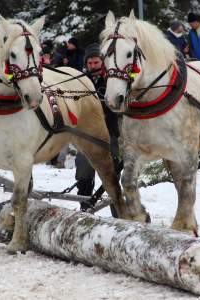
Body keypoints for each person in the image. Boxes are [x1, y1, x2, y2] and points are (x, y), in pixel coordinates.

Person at [76, 43, 121, 211]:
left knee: (112, 173)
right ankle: (85, 207)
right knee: (83, 171)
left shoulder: (112, 80)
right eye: (90, 63)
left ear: (102, 62)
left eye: (96, 63)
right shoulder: (81, 81)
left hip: (111, 133)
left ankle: (118, 210)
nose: (93, 66)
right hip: (87, 135)